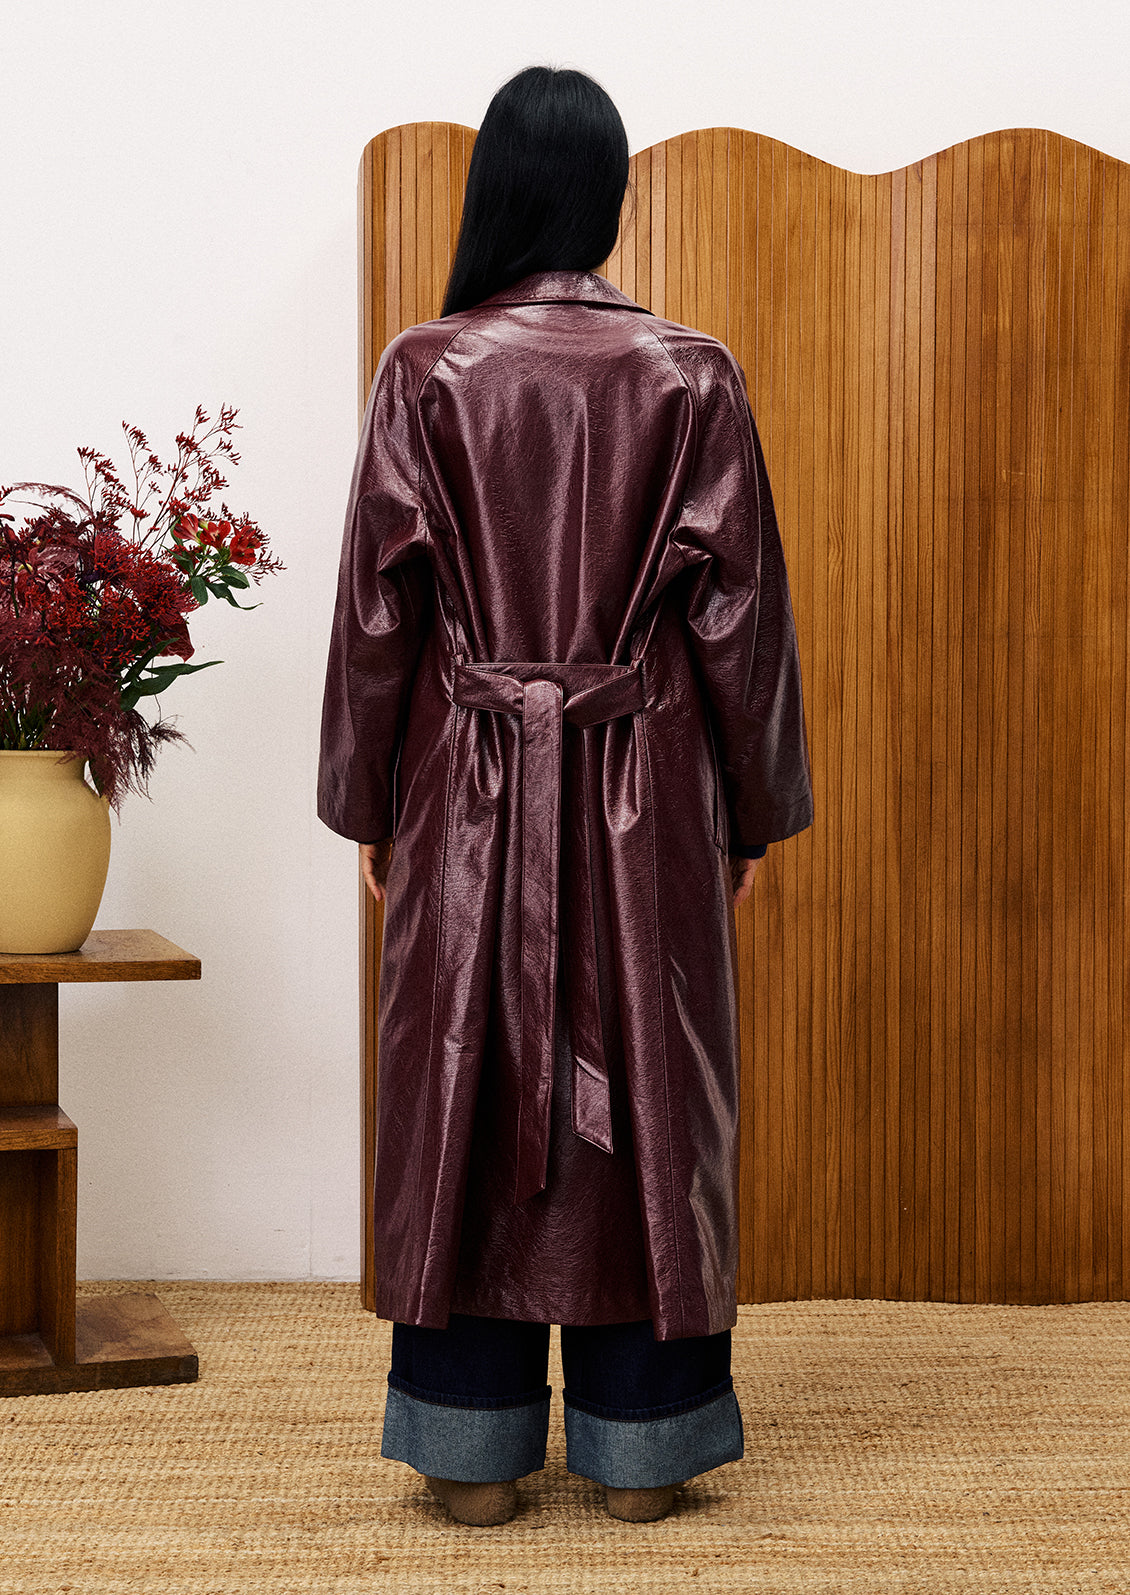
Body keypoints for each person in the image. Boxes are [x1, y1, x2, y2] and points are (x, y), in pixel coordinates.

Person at [317, 64, 814, 1528]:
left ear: (495, 193)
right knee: (650, 1091)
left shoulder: (424, 368)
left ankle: (468, 1455)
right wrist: (748, 808)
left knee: (463, 1078)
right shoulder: (689, 372)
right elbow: (742, 622)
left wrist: (371, 807)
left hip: (464, 784)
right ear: (606, 197)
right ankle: (639, 1451)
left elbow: (374, 622)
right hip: (647, 781)